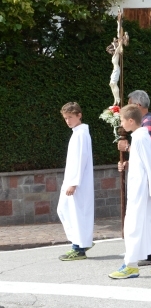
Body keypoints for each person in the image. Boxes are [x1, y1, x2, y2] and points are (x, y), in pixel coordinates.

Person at [109, 105, 151, 279]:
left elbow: (150, 164)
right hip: (142, 188)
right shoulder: (139, 136)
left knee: (133, 225)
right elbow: (141, 162)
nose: (121, 124)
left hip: (142, 190)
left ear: (131, 121)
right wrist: (127, 164)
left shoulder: (140, 137)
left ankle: (131, 264)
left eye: (122, 120)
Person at [57, 102, 94, 261]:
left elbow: (80, 160)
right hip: (72, 180)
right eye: (65, 118)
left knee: (75, 213)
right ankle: (81, 242)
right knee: (65, 210)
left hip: (76, 182)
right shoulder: (78, 132)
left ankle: (78, 247)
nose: (68, 121)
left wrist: (74, 183)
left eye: (70, 117)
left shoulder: (80, 134)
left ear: (79, 115)